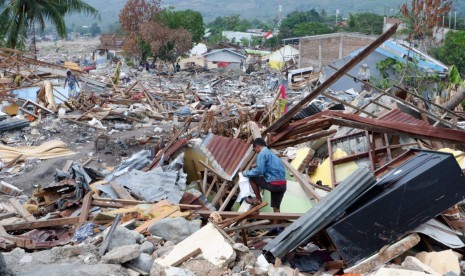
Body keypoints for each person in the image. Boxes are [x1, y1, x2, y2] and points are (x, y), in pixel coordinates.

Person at [242, 138, 287, 214]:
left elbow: (260, 171)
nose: (255, 151)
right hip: (282, 185)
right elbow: (270, 166)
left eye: (254, 149)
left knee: (252, 178)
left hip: (274, 185)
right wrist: (257, 165)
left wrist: (245, 173)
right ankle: (277, 226)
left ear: (258, 146)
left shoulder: (262, 154)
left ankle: (258, 199)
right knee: (276, 207)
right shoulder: (272, 154)